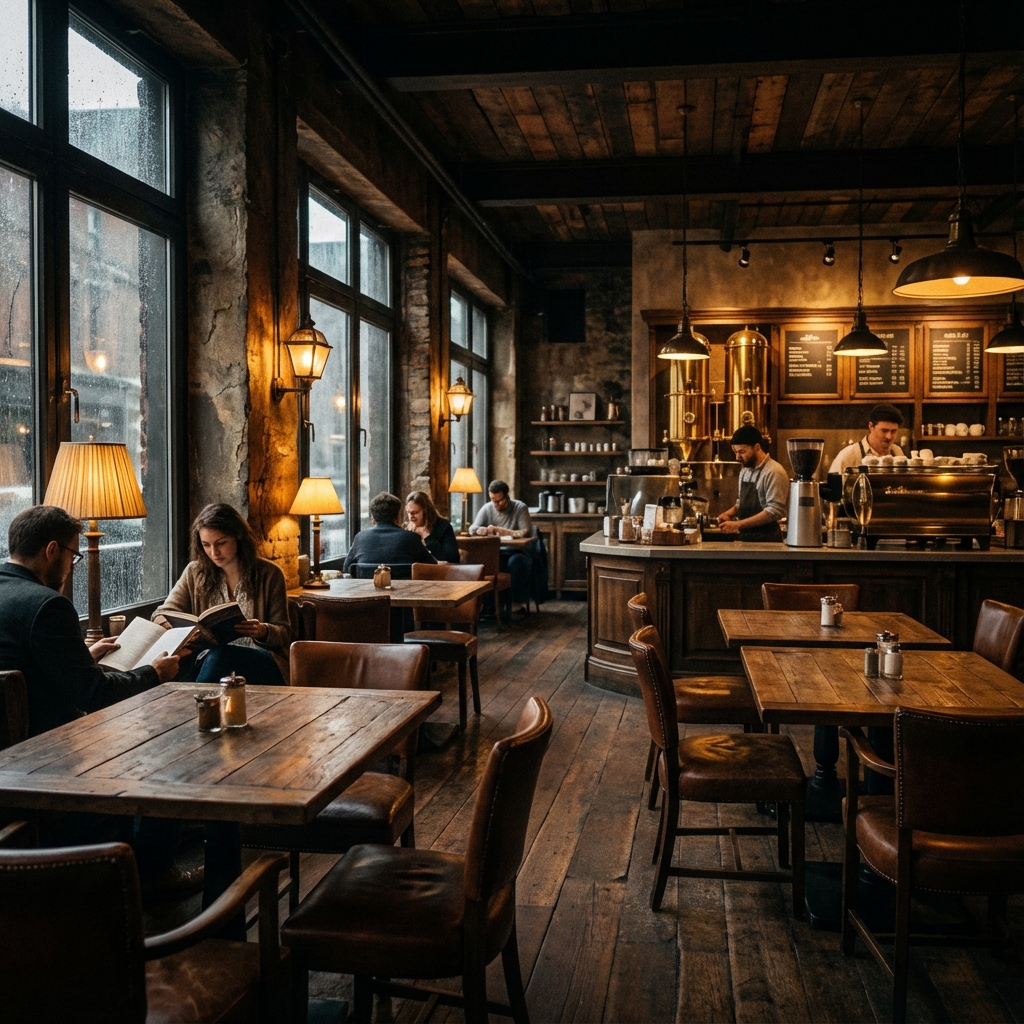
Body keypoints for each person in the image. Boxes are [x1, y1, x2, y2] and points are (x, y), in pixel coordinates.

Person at [0, 505, 191, 895]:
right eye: (74, 554)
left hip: (10, 746)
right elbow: (95, 694)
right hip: (46, 755)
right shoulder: (46, 605)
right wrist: (156, 672)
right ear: (52, 550)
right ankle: (150, 875)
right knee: (166, 745)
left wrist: (83, 657)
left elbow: (24, 669)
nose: (73, 564)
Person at [153, 503, 290, 686]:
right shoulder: (195, 572)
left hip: (262, 662)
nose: (213, 552)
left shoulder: (270, 573)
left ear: (238, 536)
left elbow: (285, 633)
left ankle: (196, 705)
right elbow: (160, 614)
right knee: (202, 659)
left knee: (221, 655)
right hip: (209, 660)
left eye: (221, 543)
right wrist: (184, 632)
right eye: (206, 545)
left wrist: (262, 631)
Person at [469, 480, 534, 615]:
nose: (496, 504)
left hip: (517, 551)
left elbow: (526, 531)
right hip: (495, 552)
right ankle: (489, 606)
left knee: (516, 563)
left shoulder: (519, 507)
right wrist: (480, 530)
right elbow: (472, 528)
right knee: (482, 565)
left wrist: (506, 532)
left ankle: (516, 604)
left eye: (499, 501)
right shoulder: (487, 508)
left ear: (507, 497)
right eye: (493, 500)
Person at [716, 426, 789, 542]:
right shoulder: (745, 470)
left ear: (757, 447)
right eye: (735, 452)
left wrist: (737, 524)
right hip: (746, 538)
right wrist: (729, 513)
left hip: (767, 541)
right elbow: (742, 502)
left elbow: (774, 511)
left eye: (742, 452)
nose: (737, 457)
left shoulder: (774, 471)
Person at [343, 492, 437, 575]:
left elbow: (346, 569)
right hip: (405, 593)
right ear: (398, 516)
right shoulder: (411, 537)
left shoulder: (360, 537)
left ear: (373, 519)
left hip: (365, 593)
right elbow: (432, 567)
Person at [829, 403, 906, 474]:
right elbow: (833, 487)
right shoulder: (848, 455)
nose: (889, 436)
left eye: (893, 431)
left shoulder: (897, 452)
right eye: (884, 431)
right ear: (871, 426)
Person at [405, 490, 460, 563]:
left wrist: (427, 536)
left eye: (414, 513)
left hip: (438, 570)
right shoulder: (406, 528)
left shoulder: (443, 526)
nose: (410, 517)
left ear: (426, 511)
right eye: (408, 513)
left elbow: (453, 559)